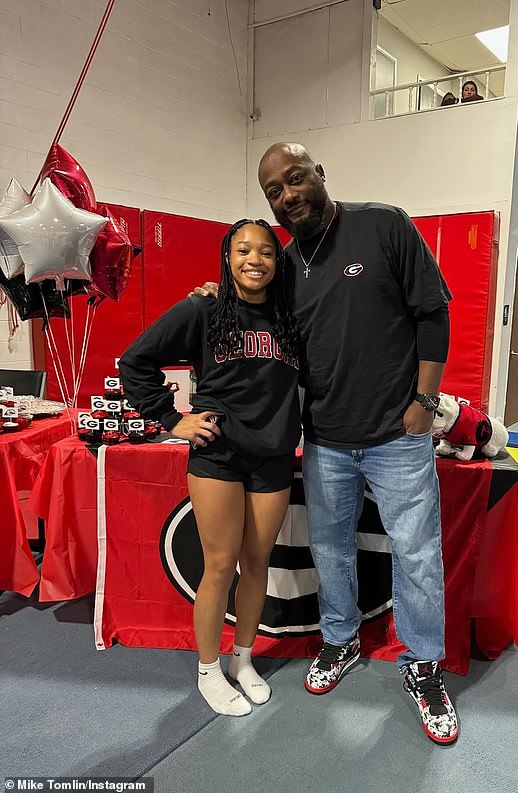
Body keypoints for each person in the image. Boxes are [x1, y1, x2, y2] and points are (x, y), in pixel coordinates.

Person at [197, 143, 458, 744]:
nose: (288, 195)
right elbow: (254, 312)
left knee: (417, 554)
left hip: (397, 435)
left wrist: (424, 401)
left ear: (319, 174)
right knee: (331, 549)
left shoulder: (383, 224)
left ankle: (423, 664)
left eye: (295, 179)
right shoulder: (285, 264)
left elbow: (433, 314)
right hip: (326, 439)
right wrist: (214, 293)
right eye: (274, 191)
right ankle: (341, 640)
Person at [119, 218, 301, 717]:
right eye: (243, 250)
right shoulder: (203, 307)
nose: (255, 260)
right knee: (220, 565)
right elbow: (134, 361)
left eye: (266, 252)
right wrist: (170, 419)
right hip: (218, 453)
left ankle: (243, 659)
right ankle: (208, 670)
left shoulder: (291, 317)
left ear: (277, 262)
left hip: (273, 454)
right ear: (227, 257)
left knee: (257, 563)